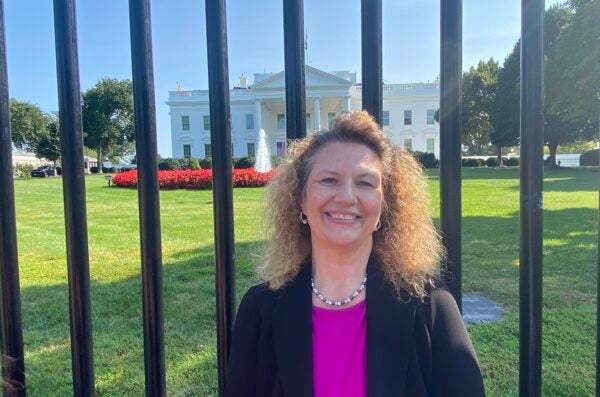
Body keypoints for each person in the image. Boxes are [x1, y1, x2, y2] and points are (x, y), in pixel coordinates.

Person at [225, 111, 485, 397]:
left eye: (365, 183)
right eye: (328, 180)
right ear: (300, 200)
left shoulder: (431, 306)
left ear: (383, 207)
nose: (347, 197)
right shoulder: (260, 309)